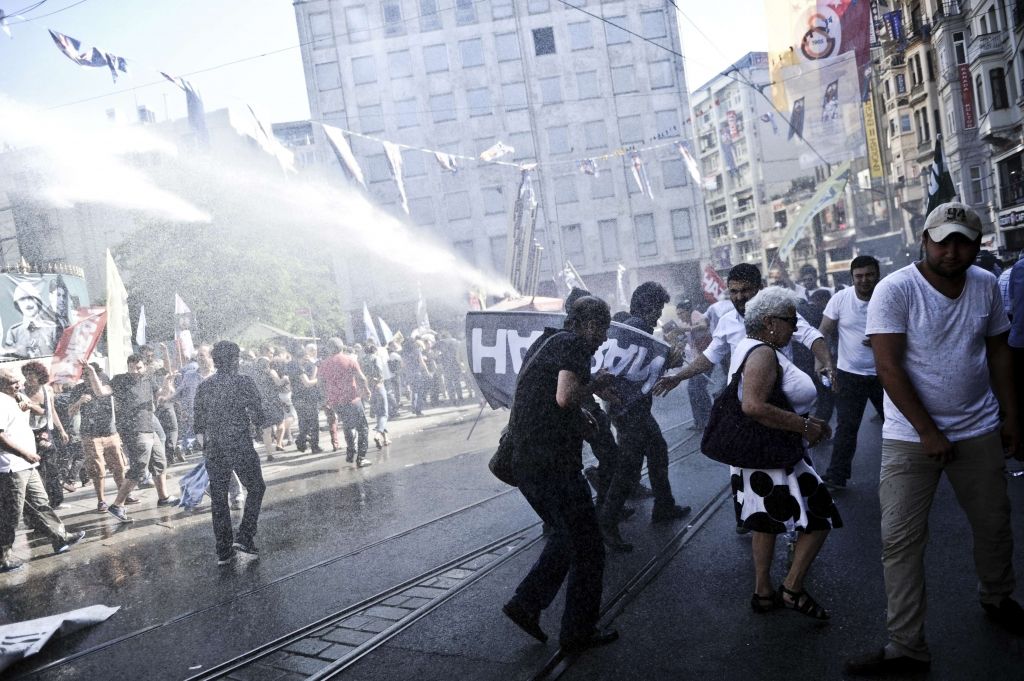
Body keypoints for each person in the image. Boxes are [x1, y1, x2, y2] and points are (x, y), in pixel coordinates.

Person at [846, 202, 1023, 676]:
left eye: (963, 240)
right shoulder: (895, 289)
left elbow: (999, 352)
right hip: (909, 436)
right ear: (924, 240)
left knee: (994, 525)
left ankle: (998, 595)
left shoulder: (985, 285)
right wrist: (928, 431)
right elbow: (888, 366)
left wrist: (1012, 416)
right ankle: (906, 646)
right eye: (942, 240)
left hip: (979, 426)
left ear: (978, 244)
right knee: (900, 542)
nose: (952, 250)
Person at [502, 296, 619, 653]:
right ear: (587, 325)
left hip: (529, 460)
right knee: (589, 548)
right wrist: (595, 385)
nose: (602, 339)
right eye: (602, 329)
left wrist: (577, 417)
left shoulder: (548, 340)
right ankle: (577, 633)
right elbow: (565, 396)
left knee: (567, 537)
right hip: (550, 464)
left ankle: (526, 604)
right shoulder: (573, 345)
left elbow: (547, 399)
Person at [721, 287, 839, 618]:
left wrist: (806, 422)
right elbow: (754, 405)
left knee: (765, 521)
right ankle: (792, 588)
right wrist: (803, 427)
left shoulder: (755, 347)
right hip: (775, 457)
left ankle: (763, 593)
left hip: (762, 453)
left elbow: (769, 401)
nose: (793, 326)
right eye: (789, 320)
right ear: (771, 323)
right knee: (819, 517)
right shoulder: (762, 353)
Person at [602, 282, 691, 527]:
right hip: (630, 408)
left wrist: (667, 361)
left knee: (656, 451)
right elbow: (637, 370)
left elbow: (635, 367)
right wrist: (669, 360)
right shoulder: (638, 328)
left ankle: (664, 505)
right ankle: (607, 519)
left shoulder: (632, 327)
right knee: (628, 467)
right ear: (648, 307)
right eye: (657, 309)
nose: (659, 316)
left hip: (629, 407)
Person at [0, 368, 85, 573]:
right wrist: (24, 454)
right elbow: (1, 437)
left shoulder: (15, 397)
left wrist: (28, 404)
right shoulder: (1, 402)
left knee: (41, 502)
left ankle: (60, 537)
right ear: (1, 384)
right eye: (13, 382)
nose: (19, 385)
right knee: (12, 514)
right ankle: (3, 557)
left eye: (18, 381)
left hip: (27, 465)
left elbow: (41, 412)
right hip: (11, 467)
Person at [193, 341, 268, 565]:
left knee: (219, 497)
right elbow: (259, 415)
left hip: (214, 447)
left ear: (215, 361)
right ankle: (245, 536)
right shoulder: (243, 381)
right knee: (256, 487)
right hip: (239, 444)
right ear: (235, 360)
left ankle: (223, 550)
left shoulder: (205, 386)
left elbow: (198, 423)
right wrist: (257, 424)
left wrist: (206, 445)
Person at [87, 355, 179, 523]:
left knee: (159, 462)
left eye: (139, 367)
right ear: (127, 367)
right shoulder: (120, 380)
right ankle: (117, 505)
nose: (136, 371)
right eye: (132, 368)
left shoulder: (149, 380)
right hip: (134, 430)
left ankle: (163, 497)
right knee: (138, 468)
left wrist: (168, 381)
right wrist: (92, 372)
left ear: (144, 367)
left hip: (149, 427)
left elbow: (163, 395)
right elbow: (100, 392)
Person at [818, 256, 884, 489]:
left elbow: (911, 330)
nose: (864, 280)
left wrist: (883, 340)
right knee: (846, 427)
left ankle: (919, 469)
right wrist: (823, 362)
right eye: (859, 276)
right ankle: (837, 476)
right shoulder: (840, 299)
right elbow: (823, 332)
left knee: (899, 425)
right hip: (850, 375)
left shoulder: (889, 296)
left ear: (878, 274)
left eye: (869, 275)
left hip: (886, 374)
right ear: (852, 278)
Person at [69, 362, 132, 512]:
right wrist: (79, 402)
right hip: (90, 435)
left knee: (119, 466)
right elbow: (70, 412)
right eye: (83, 374)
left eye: (88, 374)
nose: (85, 377)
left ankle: (124, 496)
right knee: (97, 470)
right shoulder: (78, 389)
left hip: (110, 432)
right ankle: (101, 500)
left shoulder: (105, 385)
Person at [21, 362, 69, 508]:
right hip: (28, 433)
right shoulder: (21, 393)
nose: (29, 377)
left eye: (32, 374)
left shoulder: (47, 390)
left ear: (39, 376)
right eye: (27, 374)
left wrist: (61, 430)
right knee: (37, 469)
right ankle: (40, 503)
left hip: (45, 431)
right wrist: (30, 406)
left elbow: (51, 411)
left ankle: (56, 500)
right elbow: (40, 411)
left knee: (52, 467)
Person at [319, 338, 373, 467]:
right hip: (352, 399)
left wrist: (326, 397)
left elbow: (320, 383)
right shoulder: (349, 360)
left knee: (348, 426)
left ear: (329, 349)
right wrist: (366, 390)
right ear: (342, 347)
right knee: (362, 428)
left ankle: (350, 452)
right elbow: (361, 377)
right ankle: (361, 457)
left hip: (336, 402)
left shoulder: (324, 364)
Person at [663, 299, 712, 431]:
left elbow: (703, 325)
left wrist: (685, 329)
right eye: (677, 314)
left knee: (698, 388)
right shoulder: (684, 323)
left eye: (681, 313)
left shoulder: (695, 314)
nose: (680, 316)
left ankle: (709, 420)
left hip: (708, 357)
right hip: (697, 359)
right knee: (693, 389)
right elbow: (681, 343)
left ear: (688, 311)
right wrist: (670, 339)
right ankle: (700, 421)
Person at [3, 283, 57, 358]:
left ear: (38, 302)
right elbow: (9, 359)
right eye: (22, 299)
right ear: (17, 304)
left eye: (31, 298)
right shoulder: (14, 332)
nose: (27, 303)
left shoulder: (52, 328)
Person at [360, 339, 391, 448]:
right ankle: (378, 434)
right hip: (378, 385)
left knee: (378, 413)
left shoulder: (362, 360)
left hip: (369, 387)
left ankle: (386, 438)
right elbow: (379, 371)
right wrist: (381, 380)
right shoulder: (375, 358)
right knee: (384, 413)